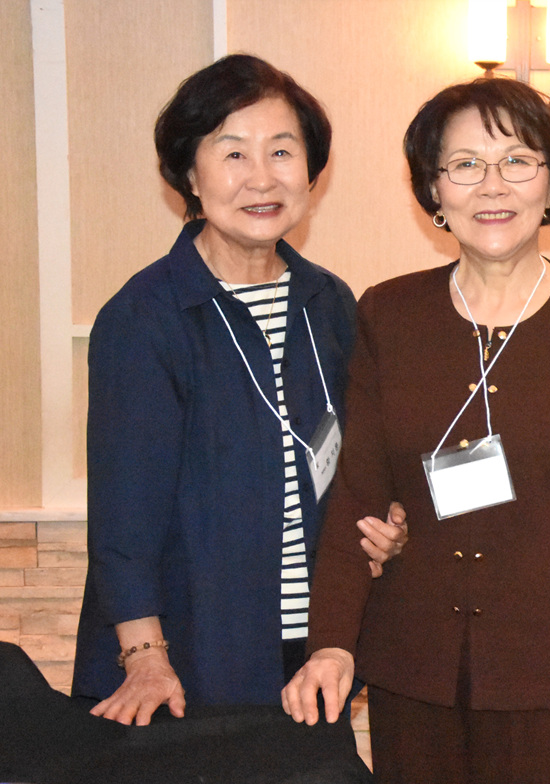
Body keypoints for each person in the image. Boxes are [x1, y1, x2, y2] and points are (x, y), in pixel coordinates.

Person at [281, 77, 550, 784]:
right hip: (411, 663)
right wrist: (331, 641)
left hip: (549, 673)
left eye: (517, 160)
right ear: (434, 190)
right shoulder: (389, 314)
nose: (492, 185)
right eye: (464, 165)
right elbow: (359, 491)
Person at [72, 54, 397, 726]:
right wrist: (145, 656)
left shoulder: (330, 303)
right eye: (233, 154)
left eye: (281, 151)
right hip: (188, 664)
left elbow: (356, 460)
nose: (262, 178)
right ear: (190, 175)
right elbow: (124, 521)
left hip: (314, 659)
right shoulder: (146, 317)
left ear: (311, 170)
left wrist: (386, 525)